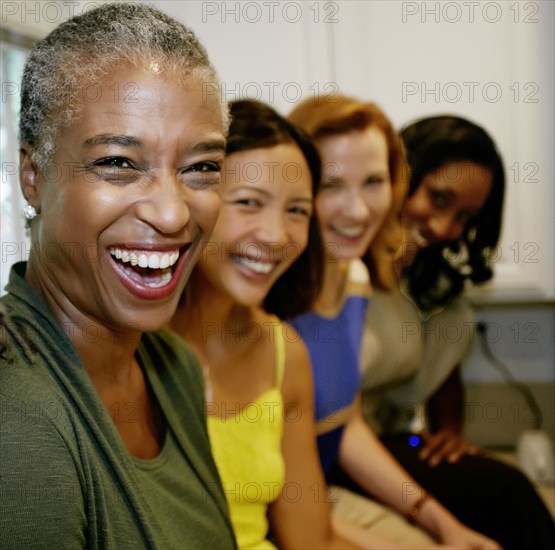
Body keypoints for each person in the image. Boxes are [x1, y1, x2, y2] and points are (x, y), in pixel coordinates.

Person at [0, 4, 237, 548]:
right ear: (33, 177)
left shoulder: (169, 363)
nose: (173, 214)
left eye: (201, 167)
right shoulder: (19, 424)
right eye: (120, 163)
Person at [170, 99, 428, 550]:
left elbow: (312, 539)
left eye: (297, 211)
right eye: (249, 202)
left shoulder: (284, 353)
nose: (275, 236)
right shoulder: (129, 345)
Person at [288, 96, 501, 549]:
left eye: (374, 183)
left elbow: (344, 424)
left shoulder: (355, 279)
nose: (358, 210)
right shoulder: (266, 294)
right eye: (331, 185)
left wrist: (441, 524)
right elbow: (272, 492)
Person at [359, 115, 555, 550]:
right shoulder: (343, 267)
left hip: (384, 443)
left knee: (506, 493)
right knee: (504, 494)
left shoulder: (431, 281)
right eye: (438, 198)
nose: (446, 228)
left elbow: (442, 351)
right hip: (331, 452)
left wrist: (450, 430)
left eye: (465, 217)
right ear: (397, 175)